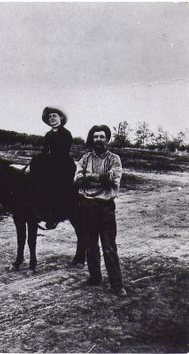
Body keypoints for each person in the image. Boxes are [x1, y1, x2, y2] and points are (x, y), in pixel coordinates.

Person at [74, 125, 127, 297]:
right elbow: (77, 180)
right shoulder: (85, 158)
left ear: (107, 139)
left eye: (102, 136)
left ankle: (117, 284)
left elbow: (112, 180)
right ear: (92, 138)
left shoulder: (114, 159)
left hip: (105, 208)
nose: (99, 139)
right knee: (90, 244)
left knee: (109, 247)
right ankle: (95, 277)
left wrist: (89, 178)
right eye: (95, 136)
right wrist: (99, 178)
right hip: (87, 206)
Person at [30, 106, 75, 229]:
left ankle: (55, 216)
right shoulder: (48, 135)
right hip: (50, 164)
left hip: (63, 164)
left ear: (61, 118)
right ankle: (39, 211)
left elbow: (63, 152)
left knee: (56, 184)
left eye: (54, 116)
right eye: (50, 117)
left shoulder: (66, 134)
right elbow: (45, 150)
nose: (52, 119)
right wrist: (38, 158)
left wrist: (47, 159)